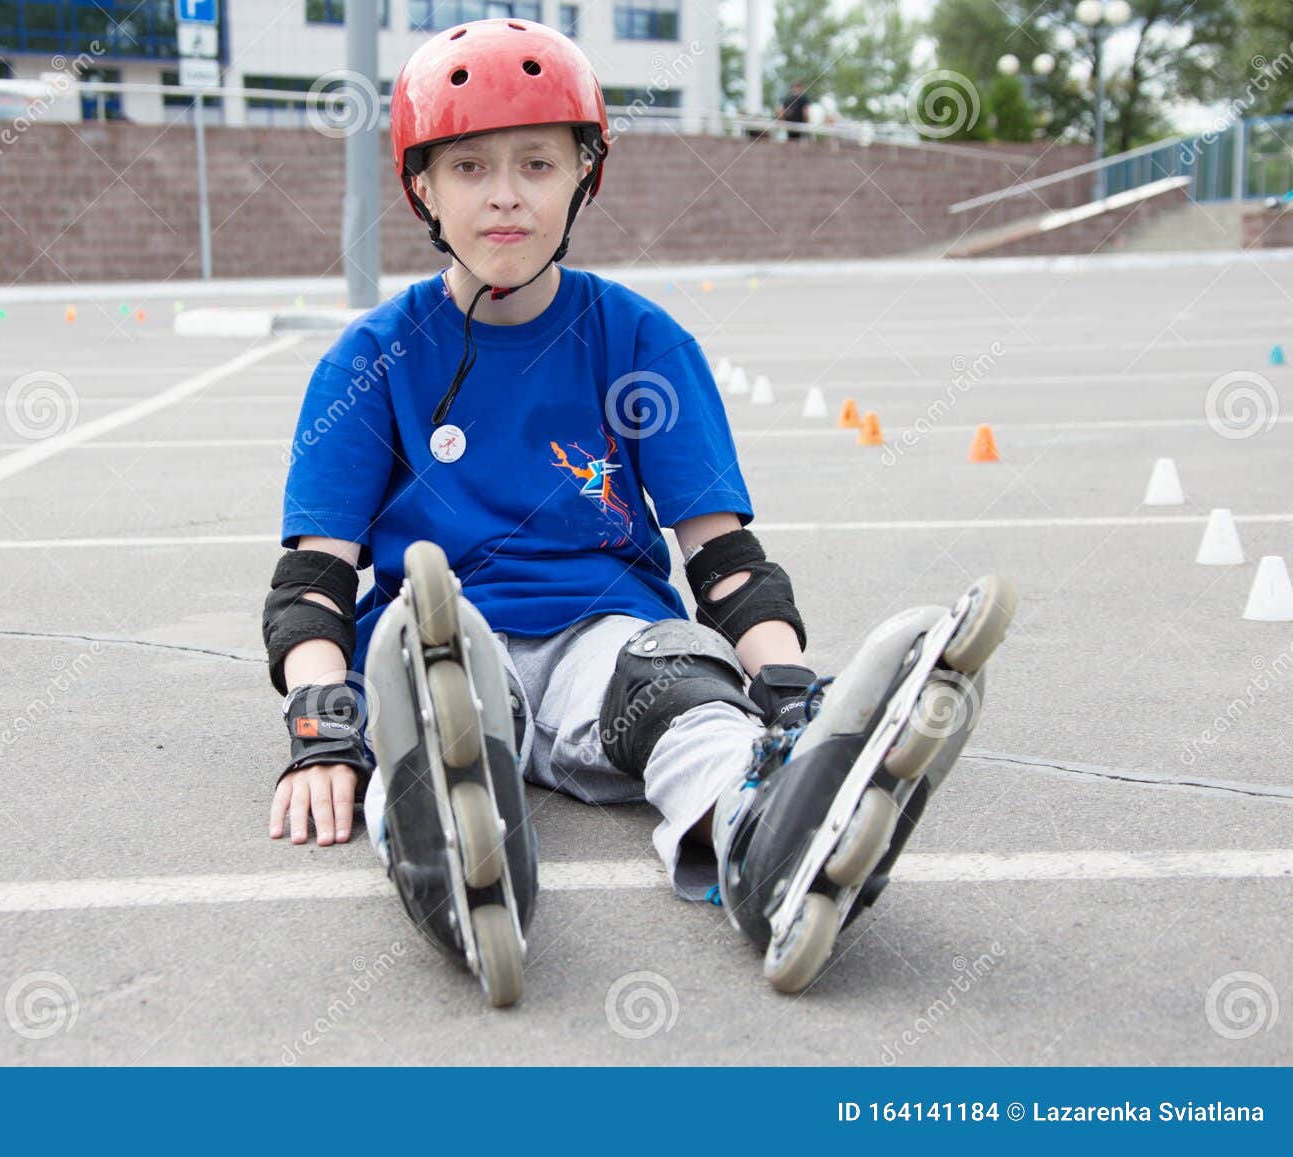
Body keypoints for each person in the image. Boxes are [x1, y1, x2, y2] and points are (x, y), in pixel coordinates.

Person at [262, 19, 1011, 1003]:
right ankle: (445, 817)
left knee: (683, 690)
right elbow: (312, 583)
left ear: (583, 175)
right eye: (471, 165)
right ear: (422, 189)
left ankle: (766, 835)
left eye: (535, 162)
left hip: (600, 636)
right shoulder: (369, 360)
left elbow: (727, 562)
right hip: (453, 636)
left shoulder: (640, 340)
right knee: (427, 665)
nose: (503, 194)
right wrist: (323, 730)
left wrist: (782, 686)